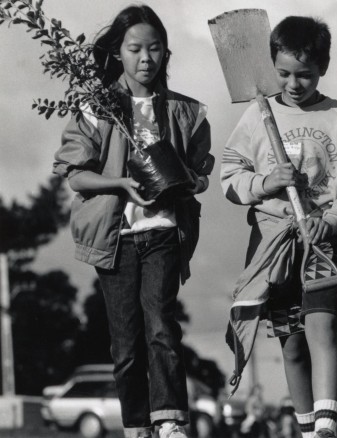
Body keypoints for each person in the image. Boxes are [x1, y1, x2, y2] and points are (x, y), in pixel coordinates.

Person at [52, 5, 213, 438]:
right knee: (125, 345)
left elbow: (202, 173)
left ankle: (170, 420)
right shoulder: (97, 107)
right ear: (118, 52)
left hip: (162, 230)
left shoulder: (186, 111)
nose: (146, 58)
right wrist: (121, 183)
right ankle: (136, 426)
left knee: (161, 325)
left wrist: (190, 180)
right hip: (115, 236)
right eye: (135, 48)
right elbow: (73, 173)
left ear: (165, 54)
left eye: (155, 48)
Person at [221, 15, 337, 438]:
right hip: (274, 242)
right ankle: (307, 431)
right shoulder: (256, 116)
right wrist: (266, 183)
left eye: (304, 74)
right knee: (291, 344)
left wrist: (333, 220)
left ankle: (325, 425)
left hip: (325, 238)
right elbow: (229, 177)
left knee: (323, 322)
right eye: (284, 73)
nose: (293, 83)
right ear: (271, 66)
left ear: (322, 68)